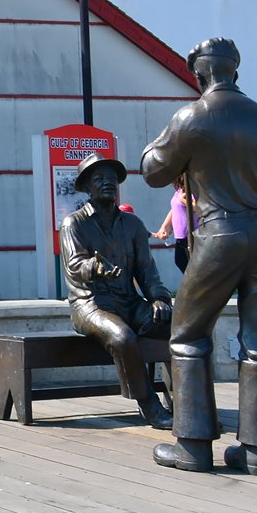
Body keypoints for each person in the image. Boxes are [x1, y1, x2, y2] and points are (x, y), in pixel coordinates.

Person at [142, 37, 257, 476]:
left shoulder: (192, 116)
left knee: (188, 336)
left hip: (221, 233)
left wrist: (162, 140)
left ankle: (192, 446)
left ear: (199, 73)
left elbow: (154, 172)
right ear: (236, 70)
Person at [60, 154, 174, 429]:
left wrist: (159, 298)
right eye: (99, 179)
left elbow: (147, 270)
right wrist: (94, 267)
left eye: (111, 179)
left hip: (129, 303)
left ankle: (190, 402)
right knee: (122, 336)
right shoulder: (74, 224)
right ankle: (149, 404)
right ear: (87, 187)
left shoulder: (133, 225)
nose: (107, 183)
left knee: (184, 328)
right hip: (90, 305)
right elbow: (74, 266)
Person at [152, 179, 196, 273]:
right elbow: (174, 209)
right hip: (181, 237)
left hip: (191, 236)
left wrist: (184, 200)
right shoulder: (179, 191)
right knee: (180, 262)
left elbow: (196, 207)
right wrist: (164, 227)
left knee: (191, 267)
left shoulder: (191, 189)